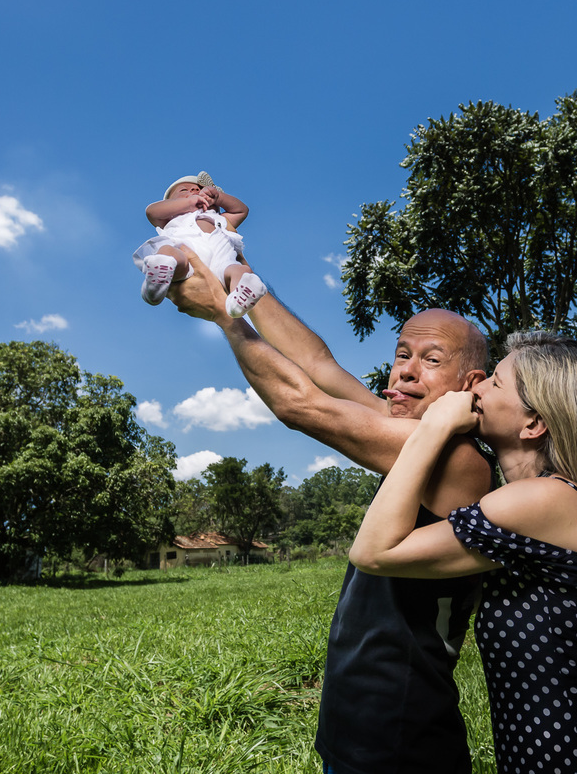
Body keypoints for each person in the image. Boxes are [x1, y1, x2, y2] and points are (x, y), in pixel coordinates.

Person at [166, 246, 493, 774]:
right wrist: (243, 281)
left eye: (432, 360)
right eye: (402, 354)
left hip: (401, 736)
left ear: (470, 386)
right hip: (356, 724)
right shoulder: (414, 438)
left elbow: (301, 404)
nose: (406, 372)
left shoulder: (459, 461)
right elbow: (319, 367)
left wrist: (226, 317)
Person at [349, 332, 577, 774]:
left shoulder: (540, 501)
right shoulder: (555, 501)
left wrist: (434, 426)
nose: (477, 386)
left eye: (496, 381)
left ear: (533, 424)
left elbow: (374, 551)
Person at [132, 172, 266, 317]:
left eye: (199, 189)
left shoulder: (220, 219)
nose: (195, 190)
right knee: (168, 252)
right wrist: (188, 203)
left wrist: (218, 197)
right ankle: (159, 276)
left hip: (221, 258)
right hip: (185, 251)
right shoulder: (170, 219)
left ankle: (241, 297)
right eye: (184, 190)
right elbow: (151, 211)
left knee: (240, 270)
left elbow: (241, 210)